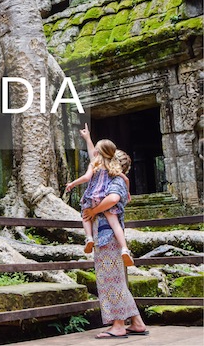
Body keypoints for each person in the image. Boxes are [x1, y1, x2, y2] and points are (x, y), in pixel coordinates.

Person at [83, 178, 149, 338]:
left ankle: (119, 326)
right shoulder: (113, 180)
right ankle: (137, 322)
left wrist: (93, 210)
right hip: (105, 236)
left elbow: (113, 199)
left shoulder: (113, 180)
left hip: (108, 238)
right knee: (115, 280)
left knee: (111, 280)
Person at [65, 127, 134, 266]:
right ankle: (125, 249)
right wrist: (127, 193)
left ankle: (88, 237)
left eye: (96, 148)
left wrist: (72, 183)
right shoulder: (113, 166)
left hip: (92, 197)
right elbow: (126, 180)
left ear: (99, 152)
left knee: (85, 215)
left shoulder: (95, 163)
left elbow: (86, 177)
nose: (94, 150)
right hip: (105, 198)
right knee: (115, 224)